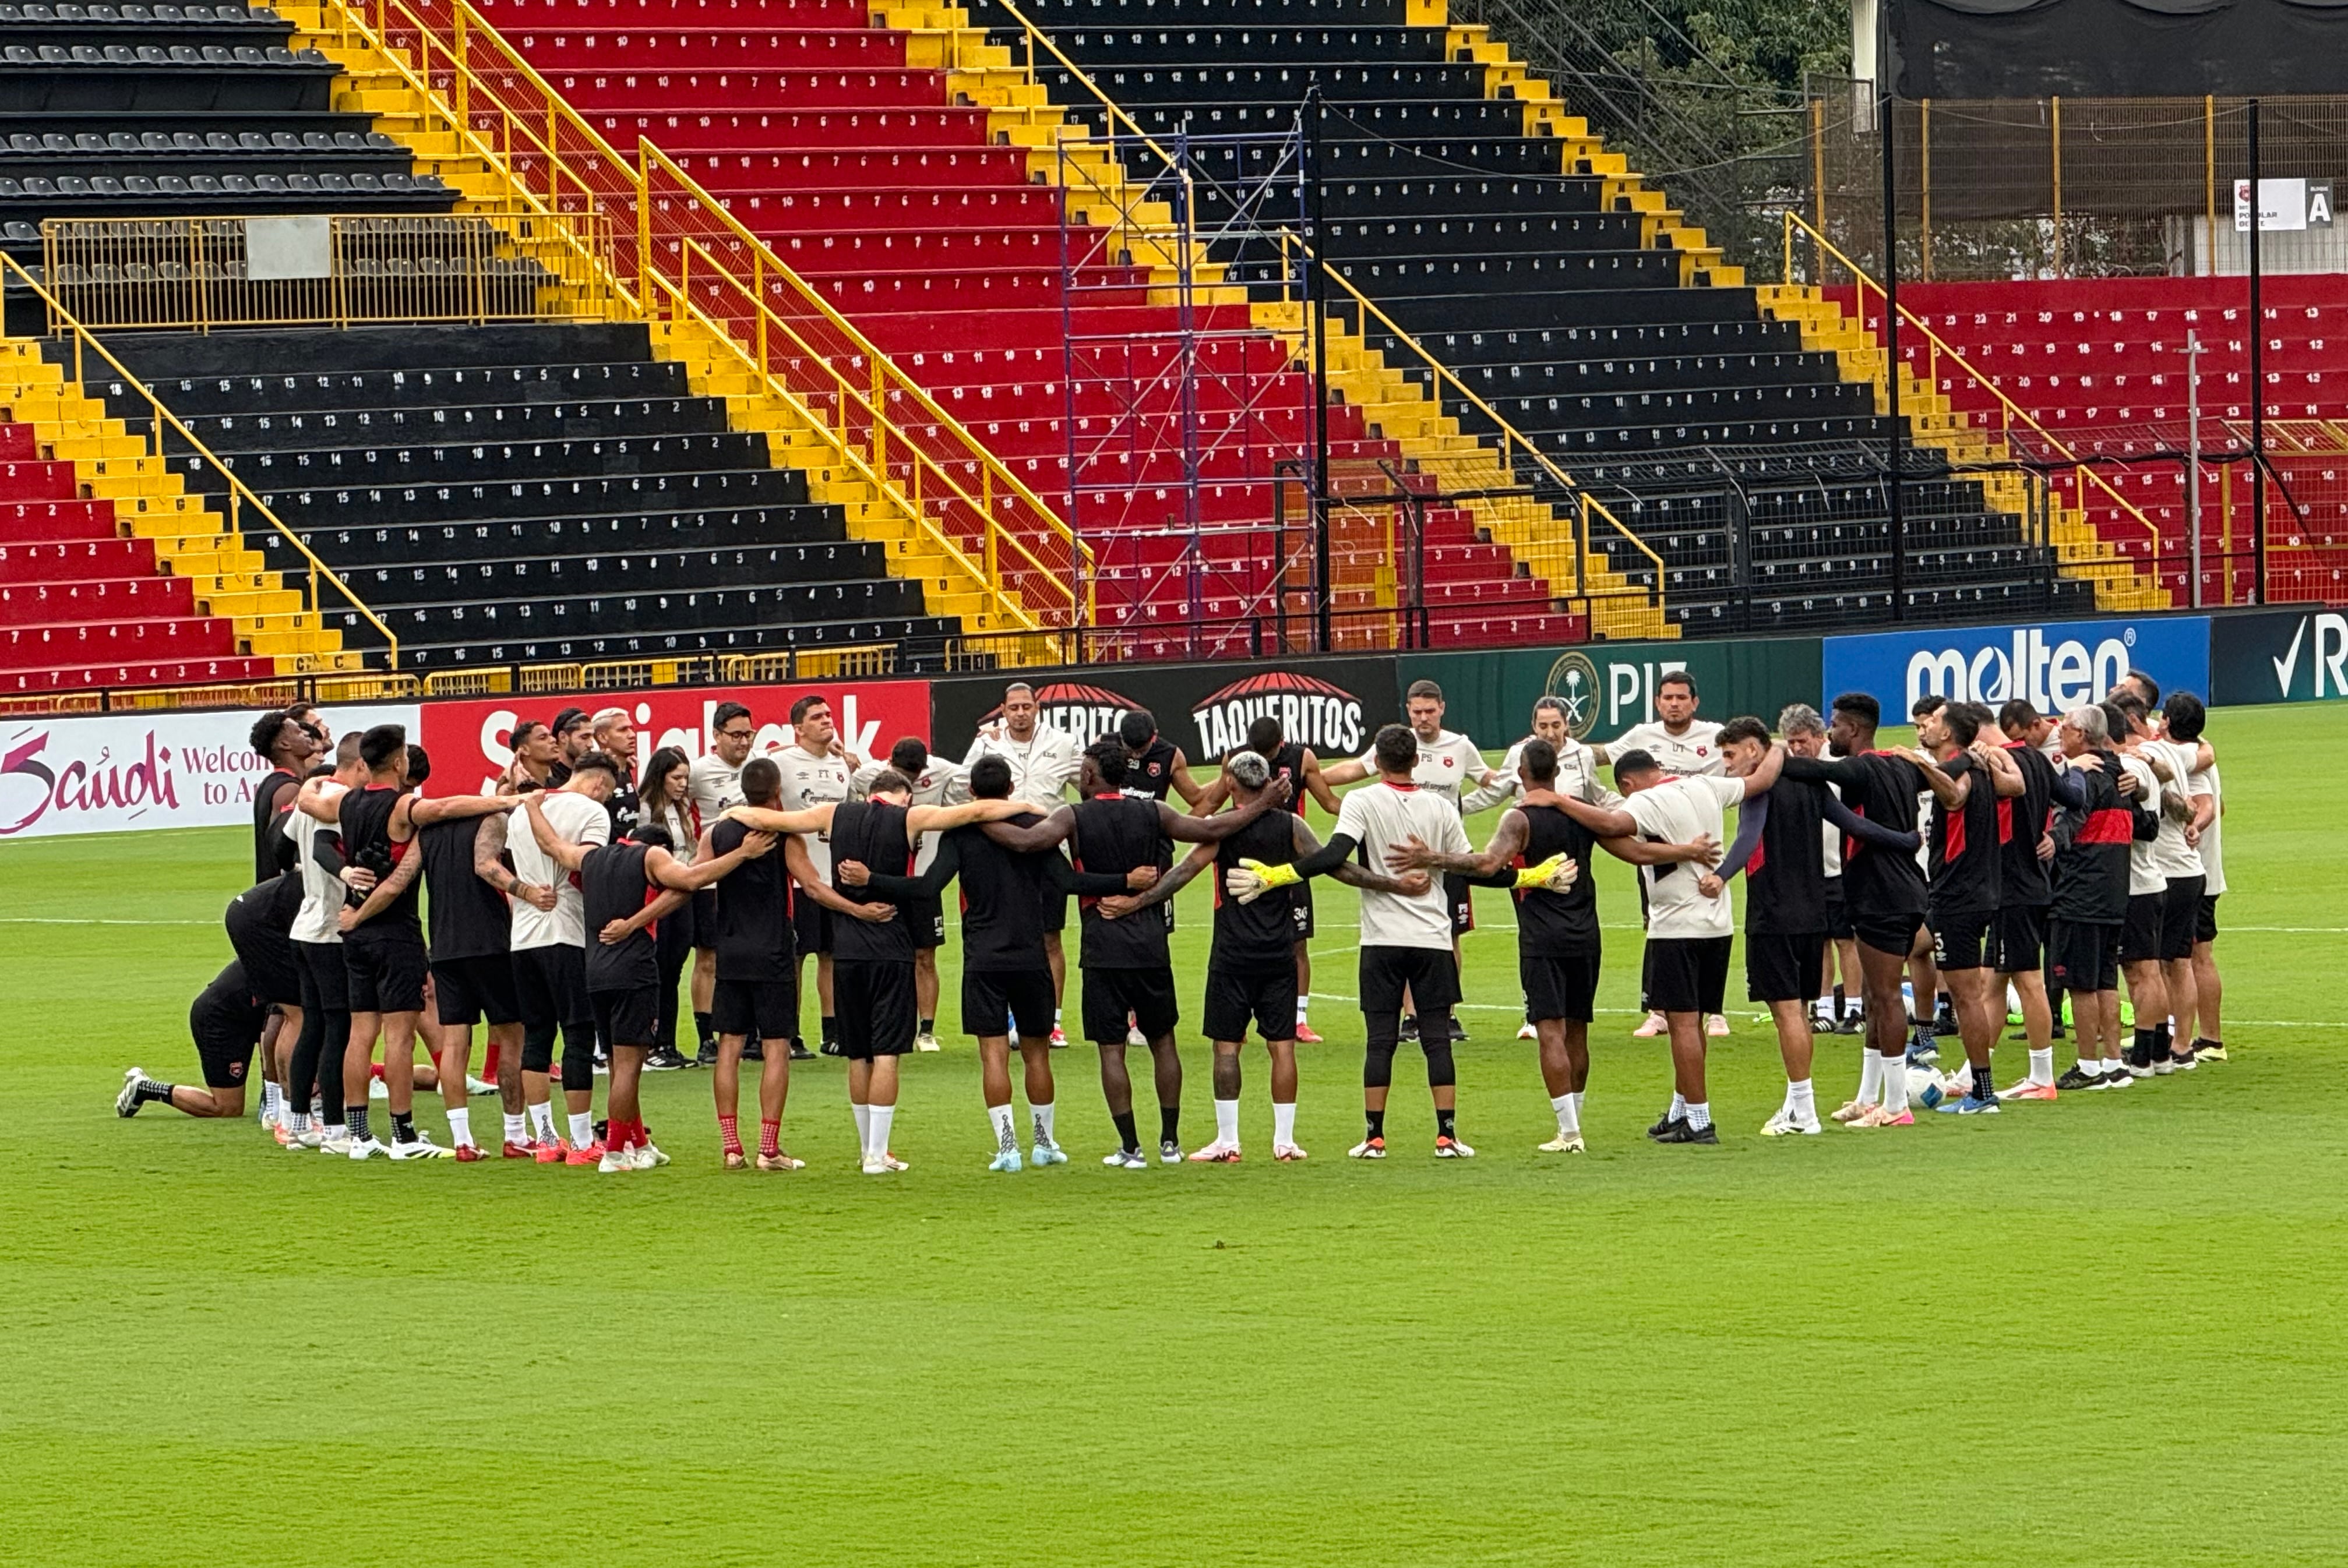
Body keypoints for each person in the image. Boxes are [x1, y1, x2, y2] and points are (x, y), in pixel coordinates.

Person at [954, 739, 1290, 1167]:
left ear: (1091, 776)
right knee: (1163, 1042)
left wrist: (975, 815)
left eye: (1082, 772)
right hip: (1151, 945)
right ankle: (1170, 1143)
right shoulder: (1155, 812)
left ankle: (1131, 1148)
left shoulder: (1072, 816)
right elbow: (1209, 830)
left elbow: (1025, 843)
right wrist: (1264, 804)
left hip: (1102, 947)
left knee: (1112, 1049)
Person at [1389, 739, 1712, 1152]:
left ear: (1521, 775)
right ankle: (1574, 1122)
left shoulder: (1518, 820)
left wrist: (1431, 857)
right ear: (1556, 772)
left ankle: (1569, 1132)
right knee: (1578, 1031)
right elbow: (1635, 852)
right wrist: (1689, 851)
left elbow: (1487, 864)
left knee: (1550, 1033)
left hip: (1542, 937)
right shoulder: (1580, 815)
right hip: (1586, 935)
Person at [1098, 750, 1418, 1164]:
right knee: (1282, 1046)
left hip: (1231, 953)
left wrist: (1134, 903)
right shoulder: (1291, 825)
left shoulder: (1222, 830)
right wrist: (1394, 884)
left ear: (1231, 784)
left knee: (1226, 1048)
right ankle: (1284, 1142)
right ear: (1266, 783)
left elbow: (1182, 873)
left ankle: (1228, 1141)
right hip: (1279, 950)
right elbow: (1338, 867)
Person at [841, 755, 1144, 1171]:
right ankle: (1044, 1143)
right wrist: (1126, 881)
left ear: (971, 794)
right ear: (1010, 791)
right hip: (1031, 956)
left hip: (983, 959)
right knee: (1038, 1055)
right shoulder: (1036, 832)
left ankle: (1007, 1148)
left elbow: (928, 886)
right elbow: (1071, 882)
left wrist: (870, 880)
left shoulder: (963, 835)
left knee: (994, 1057)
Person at [729, 780, 1030, 1174]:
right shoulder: (910, 817)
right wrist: (1029, 806)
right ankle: (877, 1154)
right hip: (891, 948)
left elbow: (772, 818)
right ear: (903, 795)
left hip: (846, 951)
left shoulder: (833, 814)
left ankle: (866, 1150)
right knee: (887, 1054)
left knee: (858, 1054)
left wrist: (733, 813)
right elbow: (973, 812)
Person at [520, 810, 775, 1172]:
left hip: (595, 972)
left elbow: (551, 845)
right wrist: (742, 854)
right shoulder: (652, 857)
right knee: (628, 1068)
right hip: (634, 973)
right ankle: (613, 1152)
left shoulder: (592, 857)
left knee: (615, 1062)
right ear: (660, 847)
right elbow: (691, 879)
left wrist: (532, 806)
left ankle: (639, 1144)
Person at [1706, 716, 1922, 1135]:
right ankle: (1793, 1105)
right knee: (1800, 1014)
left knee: (1787, 1013)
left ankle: (1804, 1112)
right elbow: (1855, 824)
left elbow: (1749, 839)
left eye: (1731, 755)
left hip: (1773, 914)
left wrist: (1721, 875)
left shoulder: (1760, 788)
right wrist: (1905, 841)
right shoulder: (1812, 786)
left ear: (1754, 750)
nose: (1728, 765)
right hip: (1814, 913)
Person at [1564, 741, 1781, 1143]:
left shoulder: (1646, 800)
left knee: (1682, 1023)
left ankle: (1700, 1121)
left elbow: (1612, 827)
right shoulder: (1706, 786)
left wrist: (1560, 801)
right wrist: (1780, 746)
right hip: (1717, 924)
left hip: (1676, 927)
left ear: (1629, 783)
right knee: (1694, 1021)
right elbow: (1763, 780)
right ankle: (1682, 1110)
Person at [308, 729, 508, 1160]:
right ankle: (403, 1134)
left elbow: (310, 800)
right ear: (400, 763)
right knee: (399, 1037)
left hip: (353, 930)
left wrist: (310, 781)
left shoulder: (347, 801)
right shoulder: (403, 806)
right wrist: (506, 801)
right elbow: (447, 807)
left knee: (360, 1034)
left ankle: (358, 1135)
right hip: (395, 932)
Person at [1281, 724, 1478, 1159]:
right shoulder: (1442, 807)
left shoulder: (1362, 800)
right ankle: (1447, 1136)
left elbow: (1335, 856)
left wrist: (1283, 875)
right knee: (1437, 1038)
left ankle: (1374, 1137)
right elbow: (1467, 863)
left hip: (1381, 940)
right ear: (1416, 761)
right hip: (1433, 938)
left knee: (1380, 1039)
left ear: (1378, 761)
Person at [697, 757, 874, 1170]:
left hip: (731, 949)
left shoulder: (719, 832)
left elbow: (695, 875)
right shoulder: (783, 833)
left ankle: (731, 1147)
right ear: (779, 791)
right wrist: (856, 911)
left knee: (729, 1045)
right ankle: (768, 1148)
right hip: (774, 951)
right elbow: (812, 886)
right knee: (776, 1047)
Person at [1779, 694, 1935, 1129]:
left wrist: (1767, 755)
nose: (1830, 734)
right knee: (1870, 995)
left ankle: (1897, 1104)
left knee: (1885, 997)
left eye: (1834, 726)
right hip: (1896, 889)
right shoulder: (1902, 766)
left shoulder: (1862, 767)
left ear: (1853, 729)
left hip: (1882, 894)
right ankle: (1870, 1096)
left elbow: (1810, 769)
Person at [1318, 679, 1499, 1041]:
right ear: (1408, 710)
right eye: (1417, 712)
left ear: (1442, 709)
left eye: (1429, 711)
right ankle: (1412, 1017)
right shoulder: (1398, 744)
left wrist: (1467, 807)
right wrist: (1315, 778)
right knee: (1403, 928)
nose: (1423, 718)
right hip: (1400, 855)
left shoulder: (1460, 747)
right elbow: (1356, 769)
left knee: (1451, 932)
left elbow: (1490, 781)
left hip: (1446, 852)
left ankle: (1446, 1011)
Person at [1461, 695, 1621, 1041]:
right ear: (1533, 726)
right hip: (1530, 850)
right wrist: (1453, 807)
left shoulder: (1580, 755)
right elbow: (1497, 791)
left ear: (1567, 724)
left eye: (1556, 725)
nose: (1549, 732)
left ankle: (1569, 1009)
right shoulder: (1521, 755)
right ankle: (1534, 1012)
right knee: (1532, 927)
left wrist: (1635, 808)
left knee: (1575, 922)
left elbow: (1596, 795)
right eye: (1543, 725)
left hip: (1572, 849)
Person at [1592, 671, 1730, 1040]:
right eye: (1667, 697)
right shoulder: (1642, 737)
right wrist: (1560, 747)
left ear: (1694, 703)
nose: (1674, 704)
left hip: (1704, 840)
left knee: (1713, 916)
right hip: (1656, 846)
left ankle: (1714, 1011)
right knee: (1655, 919)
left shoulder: (1714, 737)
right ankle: (1658, 1010)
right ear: (1657, 702)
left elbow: (1748, 755)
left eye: (1681, 698)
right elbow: (1602, 755)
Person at [1191, 714, 1344, 1042]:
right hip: (1239, 859)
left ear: (1281, 744)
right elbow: (1215, 800)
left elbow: (1329, 802)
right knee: (1231, 937)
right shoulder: (1236, 760)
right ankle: (1236, 1022)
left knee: (1297, 941)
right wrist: (1180, 823)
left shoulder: (1302, 758)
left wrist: (1367, 816)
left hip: (1289, 860)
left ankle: (1299, 1019)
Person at [1906, 702, 2026, 1115]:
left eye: (1934, 722)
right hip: (1975, 890)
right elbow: (2017, 787)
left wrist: (1918, 765)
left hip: (1958, 895)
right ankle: (1924, 1038)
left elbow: (1954, 797)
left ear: (1948, 735)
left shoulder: (1961, 769)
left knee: (1966, 996)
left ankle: (1983, 1089)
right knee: (1915, 946)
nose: (1927, 726)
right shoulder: (1978, 765)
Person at [407, 772, 530, 1161]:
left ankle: (462, 1141)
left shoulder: (427, 834)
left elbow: (399, 880)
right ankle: (515, 1134)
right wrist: (526, 892)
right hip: (491, 943)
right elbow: (486, 866)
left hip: (444, 946)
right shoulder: (492, 820)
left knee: (456, 1044)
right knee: (512, 1036)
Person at [506, 753, 616, 1163]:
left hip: (523, 937)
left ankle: (547, 1139)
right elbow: (583, 869)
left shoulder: (523, 812)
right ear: (599, 786)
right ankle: (583, 1141)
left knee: (536, 1035)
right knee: (577, 1034)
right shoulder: (592, 813)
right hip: (567, 931)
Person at [963, 682, 1084, 1044]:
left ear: (1038, 707)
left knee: (1049, 937)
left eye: (1026, 707)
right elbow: (961, 785)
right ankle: (1004, 1020)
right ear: (1002, 709)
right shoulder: (987, 743)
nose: (1019, 713)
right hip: (994, 854)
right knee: (998, 935)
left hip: (1046, 852)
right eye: (1013, 708)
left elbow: (1088, 784)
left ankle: (1054, 1020)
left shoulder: (1062, 744)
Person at [2046, 706, 2149, 1090]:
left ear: (2083, 736)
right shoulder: (2121, 774)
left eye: (2066, 728)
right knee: (2106, 980)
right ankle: (2113, 1063)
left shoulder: (2084, 775)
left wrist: (2053, 841)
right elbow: (2148, 826)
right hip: (2114, 893)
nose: (2060, 731)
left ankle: (2088, 1066)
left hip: (2081, 892)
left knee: (2081, 984)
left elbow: (2071, 817)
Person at [850, 736, 971, 1053]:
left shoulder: (943, 772)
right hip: (886, 880)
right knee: (885, 958)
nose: (910, 781)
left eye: (916, 776)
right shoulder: (873, 776)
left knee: (925, 957)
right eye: (905, 774)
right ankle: (886, 1025)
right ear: (891, 764)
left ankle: (927, 1030)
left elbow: (971, 781)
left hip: (922, 883)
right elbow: (852, 775)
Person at [283, 739, 368, 1150]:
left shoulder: (313, 795)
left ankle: (298, 1122)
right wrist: (348, 874)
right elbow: (321, 852)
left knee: (313, 1024)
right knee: (339, 1027)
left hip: (305, 923)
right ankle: (335, 1127)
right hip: (331, 929)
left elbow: (280, 844)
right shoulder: (340, 802)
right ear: (362, 766)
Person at [2111, 693, 2201, 1077]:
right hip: (2183, 869)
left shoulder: (2138, 759)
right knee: (2173, 965)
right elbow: (2187, 804)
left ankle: (2159, 1051)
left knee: (2152, 968)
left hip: (2162, 872)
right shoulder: (2170, 754)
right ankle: (2173, 1047)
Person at [1780, 705, 1866, 1037]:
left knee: (1847, 939)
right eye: (1792, 743)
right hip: (1808, 871)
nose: (1798, 748)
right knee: (1819, 941)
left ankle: (1856, 1009)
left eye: (1803, 741)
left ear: (1819, 737)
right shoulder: (1789, 768)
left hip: (1840, 867)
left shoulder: (1837, 767)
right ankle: (1824, 1008)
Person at [1993, 700, 2063, 1099]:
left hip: (2013, 887)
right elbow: (2071, 797)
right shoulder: (2040, 762)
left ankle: (2041, 1077)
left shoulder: (2003, 762)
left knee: (2028, 981)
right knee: (1991, 984)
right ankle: (1975, 1069)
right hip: (2032, 882)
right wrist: (2055, 836)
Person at [687, 701, 758, 1061]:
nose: (744, 742)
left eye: (749, 734)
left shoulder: (761, 767)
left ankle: (753, 1033)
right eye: (736, 735)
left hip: (753, 877)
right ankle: (706, 1037)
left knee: (751, 950)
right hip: (714, 877)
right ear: (716, 736)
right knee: (710, 956)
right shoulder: (698, 771)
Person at [117, 962, 273, 1122]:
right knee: (227, 1108)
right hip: (220, 1021)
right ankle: (145, 1088)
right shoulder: (278, 960)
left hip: (243, 1014)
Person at [2167, 693, 2227, 1062]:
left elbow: (2207, 808)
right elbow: (2222, 807)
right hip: (2205, 869)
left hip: (2195, 871)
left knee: (2193, 957)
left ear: (2170, 724)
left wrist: (2193, 828)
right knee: (2190, 957)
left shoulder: (2190, 764)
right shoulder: (2199, 754)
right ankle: (2187, 1033)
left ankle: (2206, 1039)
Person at [636, 746, 701, 1072]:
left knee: (673, 971)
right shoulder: (645, 808)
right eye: (676, 778)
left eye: (686, 779)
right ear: (660, 776)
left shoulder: (682, 808)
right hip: (658, 894)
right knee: (657, 969)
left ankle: (668, 1043)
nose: (682, 784)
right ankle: (650, 1043)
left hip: (682, 894)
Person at [593, 707, 641, 839]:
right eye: (623, 730)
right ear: (602, 737)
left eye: (631, 729)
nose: (632, 735)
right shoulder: (596, 775)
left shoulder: (625, 768)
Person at [506, 718, 564, 792]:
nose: (553, 740)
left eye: (550, 736)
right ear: (525, 750)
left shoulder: (558, 784)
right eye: (543, 738)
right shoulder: (517, 790)